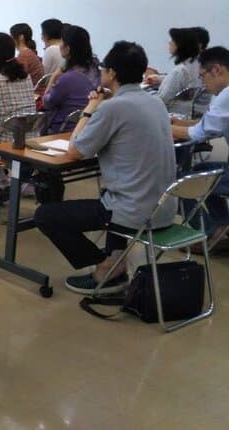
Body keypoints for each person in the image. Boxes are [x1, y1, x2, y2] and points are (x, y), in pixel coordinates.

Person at [34, 41, 177, 294]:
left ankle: (105, 266)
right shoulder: (155, 102)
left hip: (135, 212)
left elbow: (75, 150)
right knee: (109, 194)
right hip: (164, 208)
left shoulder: (113, 107)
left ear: (111, 73)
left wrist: (91, 107)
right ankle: (115, 257)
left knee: (46, 215)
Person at [171, 46, 229, 242]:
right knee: (204, 170)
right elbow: (210, 124)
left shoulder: (227, 95)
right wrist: (178, 123)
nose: (203, 83)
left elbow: (197, 134)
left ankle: (211, 232)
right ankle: (223, 228)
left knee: (179, 182)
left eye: (203, 76)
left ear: (217, 70)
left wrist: (161, 126)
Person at [42, 25, 100, 132]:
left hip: (63, 130)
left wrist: (55, 76)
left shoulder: (68, 78)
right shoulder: (95, 69)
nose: (59, 45)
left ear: (68, 49)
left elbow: (47, 102)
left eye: (61, 42)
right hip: (89, 128)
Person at [144, 28, 202, 107]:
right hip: (188, 109)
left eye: (173, 40)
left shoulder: (179, 71)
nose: (169, 42)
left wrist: (144, 95)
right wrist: (161, 79)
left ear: (180, 45)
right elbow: (182, 82)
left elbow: (162, 100)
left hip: (171, 113)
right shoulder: (197, 64)